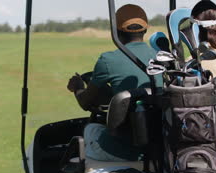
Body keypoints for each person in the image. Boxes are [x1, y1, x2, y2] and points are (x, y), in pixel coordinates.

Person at [67, 4, 162, 162]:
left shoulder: (108, 60)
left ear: (116, 31)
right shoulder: (161, 57)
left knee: (90, 128)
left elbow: (85, 102)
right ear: (145, 29)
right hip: (157, 145)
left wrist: (78, 87)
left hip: (123, 150)